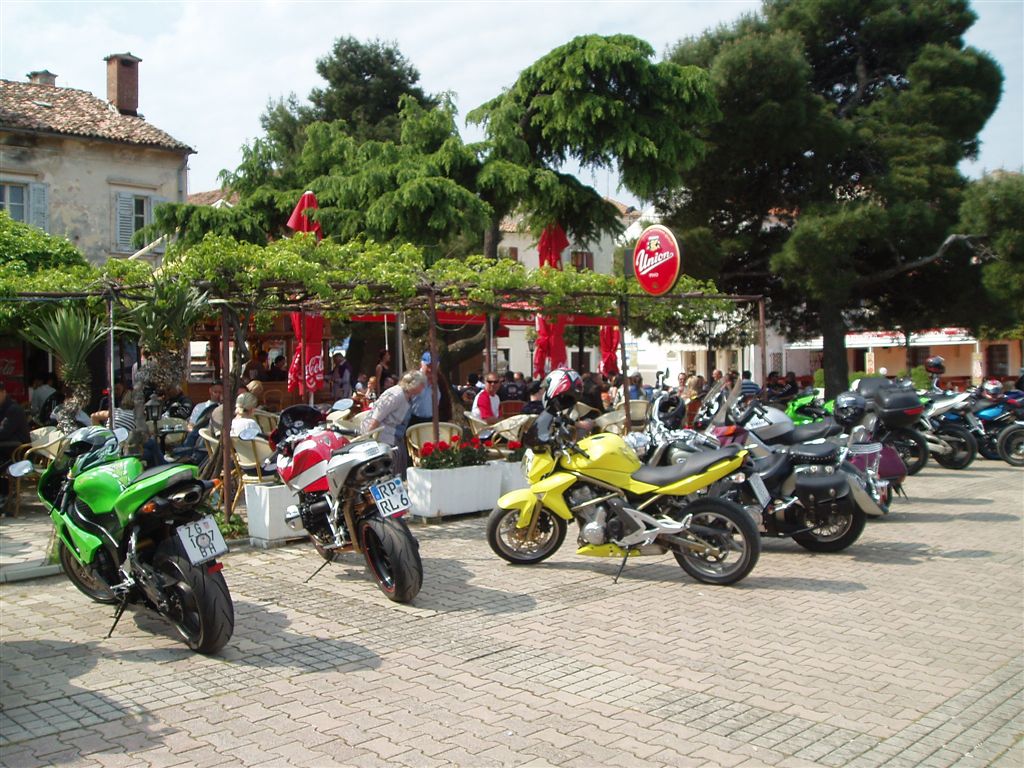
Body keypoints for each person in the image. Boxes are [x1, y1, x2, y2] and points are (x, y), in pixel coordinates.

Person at [361, 370, 427, 475]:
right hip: (384, 437)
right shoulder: (396, 395)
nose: (423, 388)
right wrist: (367, 439)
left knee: (401, 463)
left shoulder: (408, 397)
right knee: (393, 468)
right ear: (414, 384)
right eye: (422, 385)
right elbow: (377, 416)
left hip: (395, 437)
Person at [0, 381, 31, 510]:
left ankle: (3, 495)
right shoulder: (3, 407)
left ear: (3, 392)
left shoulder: (13, 409)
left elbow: (3, 432)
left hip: (17, 452)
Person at [407, 352, 452, 427]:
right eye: (428, 366)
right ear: (422, 364)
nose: (430, 369)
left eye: (433, 367)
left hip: (432, 420)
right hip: (413, 420)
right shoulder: (413, 378)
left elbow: (445, 400)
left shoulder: (440, 380)